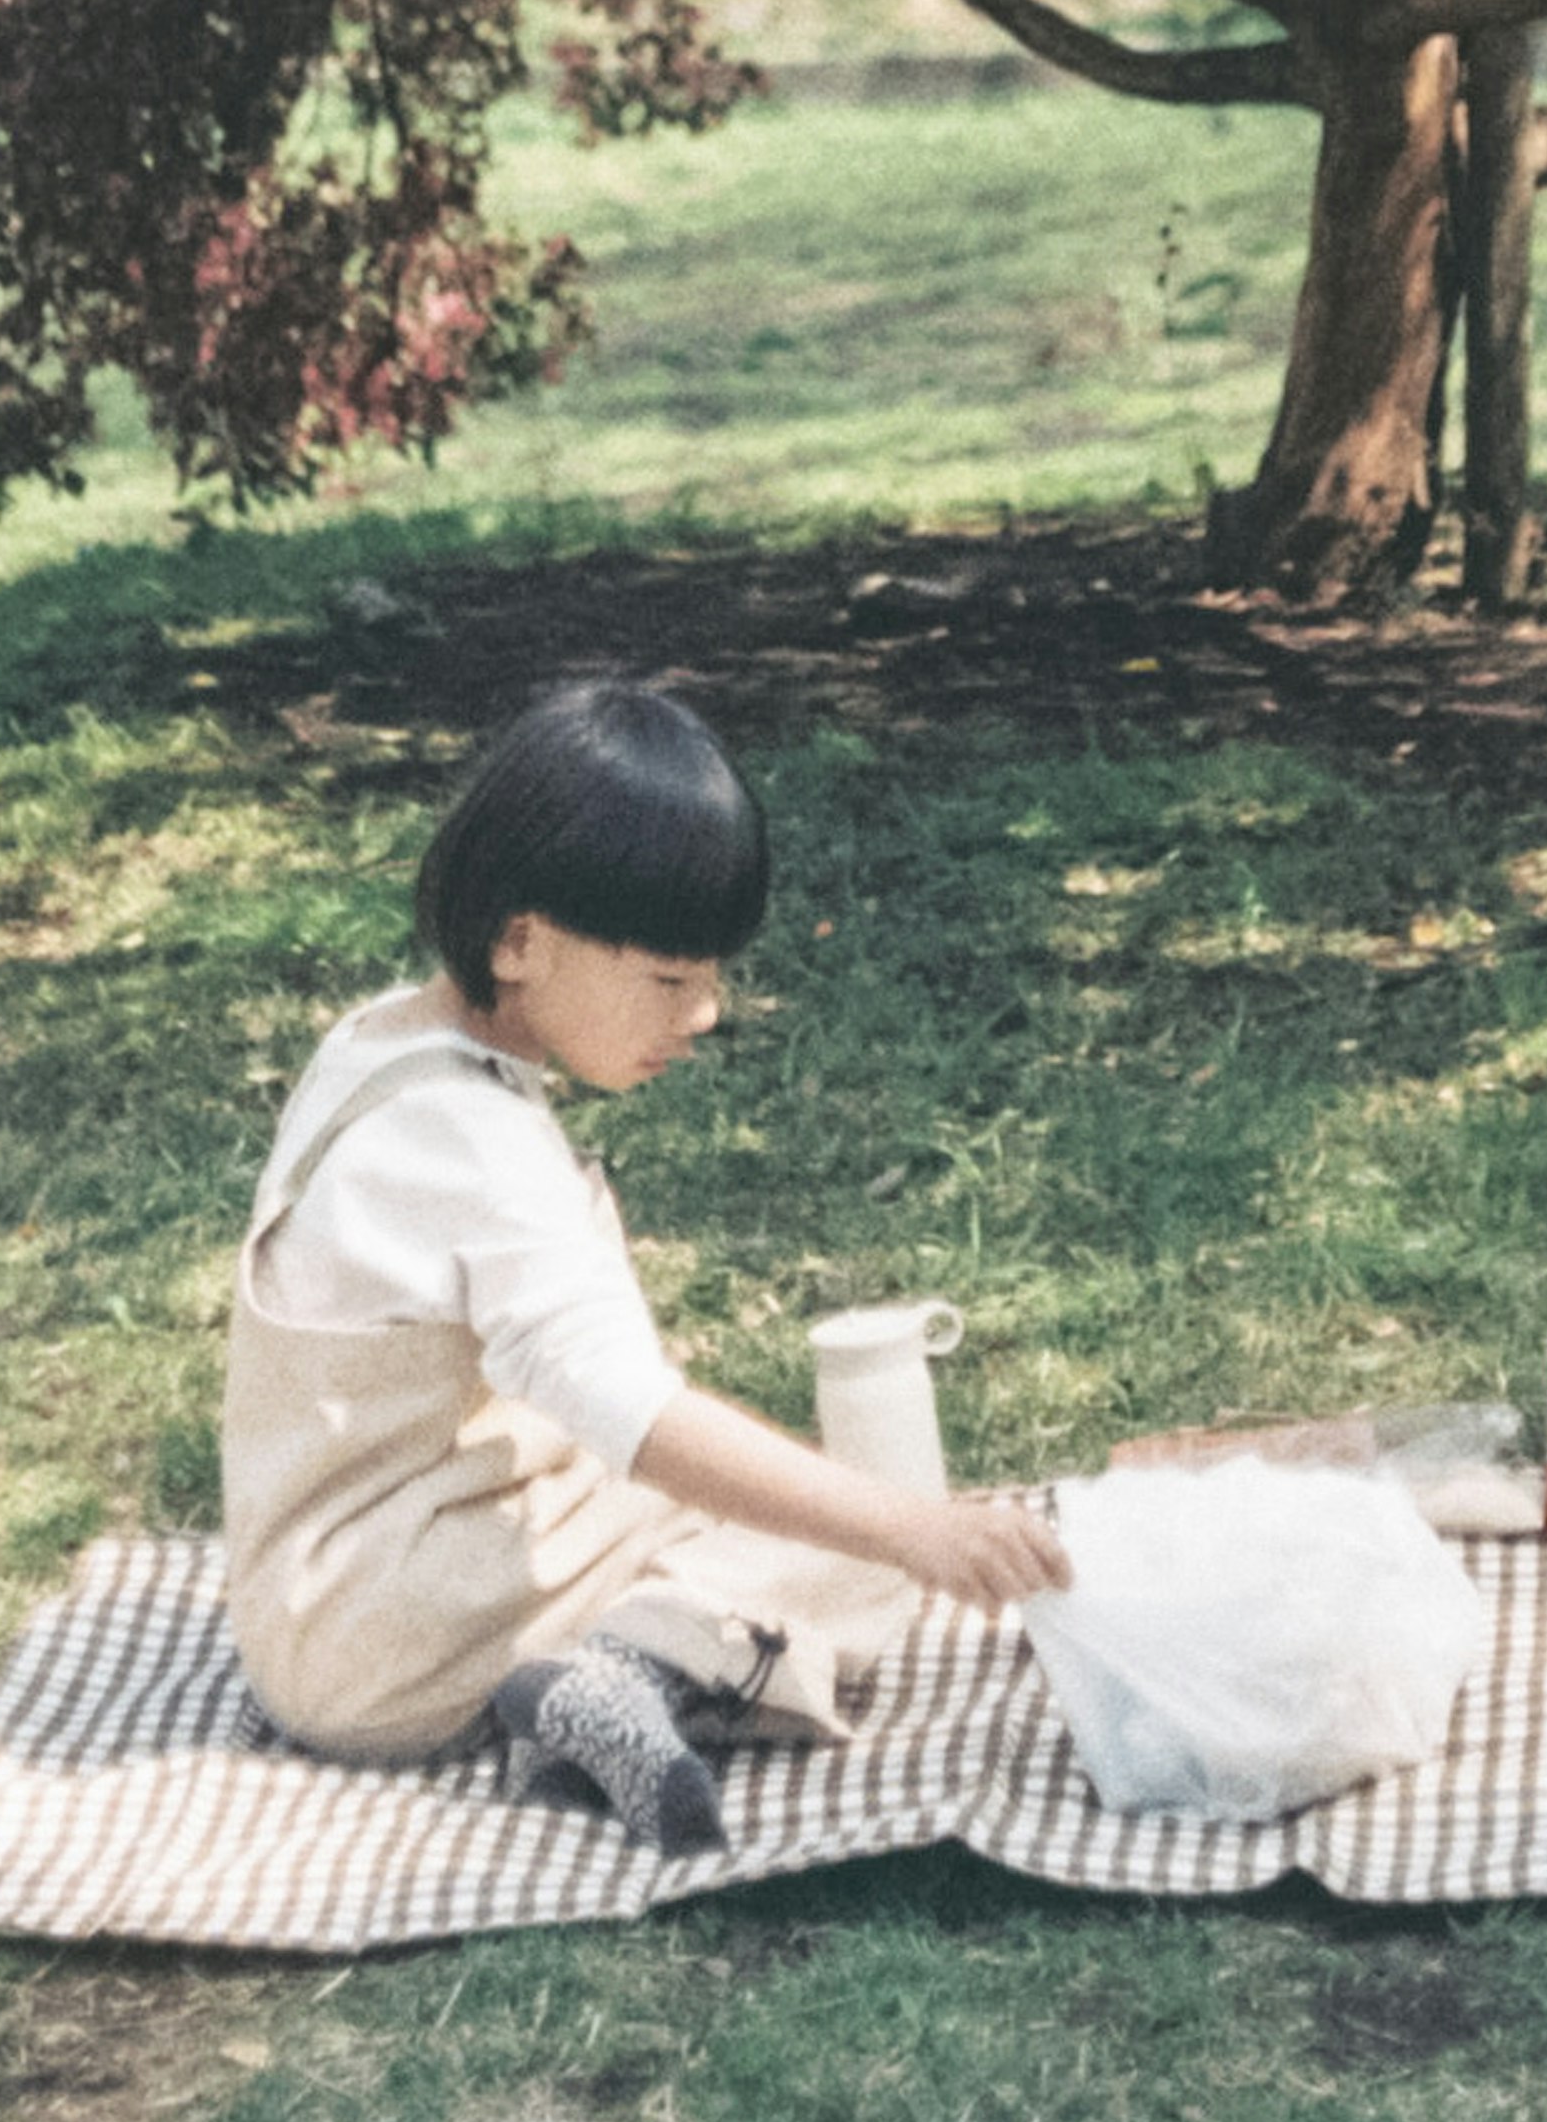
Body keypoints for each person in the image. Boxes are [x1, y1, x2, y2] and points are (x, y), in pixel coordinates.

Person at [223, 675, 1066, 1850]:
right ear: (522, 941)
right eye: (670, 980)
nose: (706, 1014)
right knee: (864, 1549)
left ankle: (611, 1671)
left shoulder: (382, 1041)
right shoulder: (473, 1140)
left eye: (711, 977)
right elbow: (637, 1417)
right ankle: (629, 1671)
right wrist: (906, 1530)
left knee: (797, 1514)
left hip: (347, 1583)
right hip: (393, 1638)